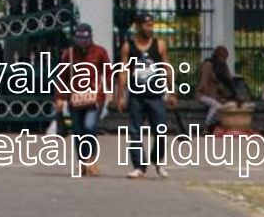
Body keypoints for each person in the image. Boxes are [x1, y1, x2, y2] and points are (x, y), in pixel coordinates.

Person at [117, 12, 175, 179]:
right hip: (136, 96)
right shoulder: (128, 47)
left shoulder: (159, 45)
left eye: (152, 25)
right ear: (137, 26)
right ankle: (139, 167)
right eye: (147, 25)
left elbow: (166, 68)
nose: (150, 29)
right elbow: (123, 71)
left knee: (160, 130)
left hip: (156, 95)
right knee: (135, 131)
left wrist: (171, 91)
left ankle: (157, 160)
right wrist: (120, 96)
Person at [55, 22, 111, 177]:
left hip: (95, 98)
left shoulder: (100, 52)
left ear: (90, 38)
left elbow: (108, 73)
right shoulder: (70, 54)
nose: (82, 43)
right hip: (75, 98)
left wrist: (109, 91)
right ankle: (82, 162)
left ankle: (91, 159)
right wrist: (59, 97)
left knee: (89, 126)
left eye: (84, 39)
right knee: (78, 131)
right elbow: (63, 77)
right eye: (79, 39)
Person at [197, 45, 239, 127]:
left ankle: (219, 124)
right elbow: (203, 85)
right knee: (217, 105)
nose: (223, 60)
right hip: (204, 94)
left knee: (229, 105)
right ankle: (207, 125)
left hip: (216, 95)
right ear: (217, 56)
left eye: (225, 58)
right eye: (222, 57)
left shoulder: (223, 67)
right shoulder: (208, 65)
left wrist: (234, 96)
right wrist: (215, 97)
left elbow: (229, 81)